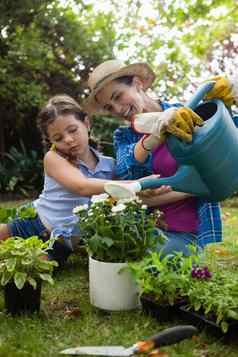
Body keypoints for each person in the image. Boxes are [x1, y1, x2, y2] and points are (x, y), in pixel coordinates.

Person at [0, 95, 169, 263]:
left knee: (25, 268)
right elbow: (82, 186)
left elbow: (122, 197)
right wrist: (139, 184)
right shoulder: (53, 158)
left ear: (86, 123)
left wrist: (150, 211)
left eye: (72, 130)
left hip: (60, 246)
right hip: (31, 225)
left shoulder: (109, 166)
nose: (68, 139)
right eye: (58, 138)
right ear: (51, 141)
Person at [84, 59, 224, 256]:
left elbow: (215, 174)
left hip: (187, 232)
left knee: (150, 257)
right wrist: (152, 138)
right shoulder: (124, 136)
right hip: (147, 228)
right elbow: (127, 175)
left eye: (118, 96)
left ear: (138, 84)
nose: (116, 109)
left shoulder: (186, 114)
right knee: (110, 248)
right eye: (108, 107)